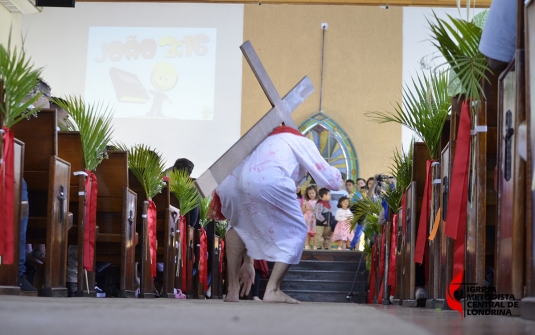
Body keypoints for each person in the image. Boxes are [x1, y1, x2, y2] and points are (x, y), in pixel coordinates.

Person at [215, 125, 341, 303]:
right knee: (297, 230)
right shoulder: (301, 141)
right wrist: (339, 176)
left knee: (237, 224)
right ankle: (272, 290)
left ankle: (232, 290)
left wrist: (249, 263)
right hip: (267, 181)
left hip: (229, 184)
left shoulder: (261, 139)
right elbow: (333, 182)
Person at [301, 185, 318, 250]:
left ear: (316, 192)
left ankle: (315, 245)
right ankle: (307, 245)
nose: (311, 194)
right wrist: (307, 208)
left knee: (315, 232)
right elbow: (302, 210)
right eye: (309, 193)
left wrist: (314, 209)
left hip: (314, 218)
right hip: (307, 218)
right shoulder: (306, 201)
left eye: (312, 193)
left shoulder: (318, 201)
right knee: (307, 232)